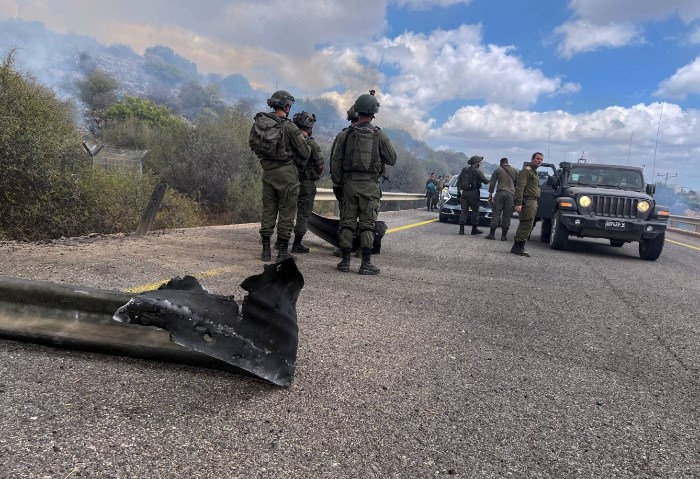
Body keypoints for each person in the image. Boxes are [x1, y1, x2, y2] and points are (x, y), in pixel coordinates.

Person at [331, 90, 397, 275]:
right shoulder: (379, 135)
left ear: (357, 111)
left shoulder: (345, 135)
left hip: (349, 185)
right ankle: (365, 263)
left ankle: (344, 261)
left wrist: (337, 185)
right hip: (370, 186)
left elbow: (335, 162)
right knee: (367, 224)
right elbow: (392, 158)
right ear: (373, 112)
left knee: (347, 223)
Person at [249, 90, 310, 262]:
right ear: (287, 106)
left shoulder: (261, 122)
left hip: (268, 172)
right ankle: (282, 252)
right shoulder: (289, 126)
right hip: (286, 173)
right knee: (287, 212)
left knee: (268, 210)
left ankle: (266, 250)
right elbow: (304, 153)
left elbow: (253, 144)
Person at [291, 111, 324, 253]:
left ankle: (281, 241)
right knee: (303, 213)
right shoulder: (312, 143)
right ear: (309, 126)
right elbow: (320, 166)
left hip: (289, 180)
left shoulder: (289, 140)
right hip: (306, 183)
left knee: (286, 211)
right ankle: (297, 243)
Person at [511, 152, 544, 257]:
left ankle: (517, 246)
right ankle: (519, 247)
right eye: (537, 159)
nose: (539, 161)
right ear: (532, 159)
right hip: (528, 201)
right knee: (526, 224)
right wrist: (518, 203)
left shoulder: (534, 172)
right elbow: (520, 187)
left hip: (533, 201)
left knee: (527, 224)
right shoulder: (527, 171)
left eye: (541, 160)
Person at [486, 157, 517, 241]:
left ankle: (492, 234)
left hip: (500, 193)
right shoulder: (514, 170)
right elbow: (517, 184)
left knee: (496, 213)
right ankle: (504, 236)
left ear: (501, 163)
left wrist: (490, 195)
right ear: (507, 162)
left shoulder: (498, 170)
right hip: (511, 194)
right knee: (507, 214)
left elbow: (492, 183)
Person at [456, 155, 489, 235]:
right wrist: (491, 180)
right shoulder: (476, 171)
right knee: (475, 211)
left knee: (464, 211)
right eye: (479, 162)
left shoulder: (464, 170)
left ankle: (461, 230)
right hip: (473, 193)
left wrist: (459, 192)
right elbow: (485, 181)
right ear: (475, 162)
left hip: (464, 193)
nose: (480, 164)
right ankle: (474, 229)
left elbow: (458, 182)